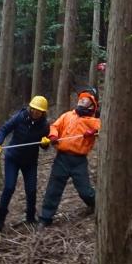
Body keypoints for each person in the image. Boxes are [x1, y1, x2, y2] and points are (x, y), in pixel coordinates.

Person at [38, 91, 101, 226]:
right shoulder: (67, 116)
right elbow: (54, 126)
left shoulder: (94, 121)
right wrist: (53, 136)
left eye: (86, 99)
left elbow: (104, 128)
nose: (82, 100)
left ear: (92, 105)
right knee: (53, 189)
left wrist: (94, 131)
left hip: (79, 161)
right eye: (81, 99)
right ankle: (45, 218)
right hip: (62, 158)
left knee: (85, 191)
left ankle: (98, 205)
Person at [0, 96, 52, 232]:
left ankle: (30, 218)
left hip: (30, 162)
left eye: (39, 111)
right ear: (30, 108)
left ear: (43, 112)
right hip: (13, 158)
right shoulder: (20, 117)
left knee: (31, 190)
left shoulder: (44, 126)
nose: (35, 112)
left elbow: (44, 146)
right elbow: (4, 129)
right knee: (9, 187)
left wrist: (45, 143)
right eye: (34, 109)